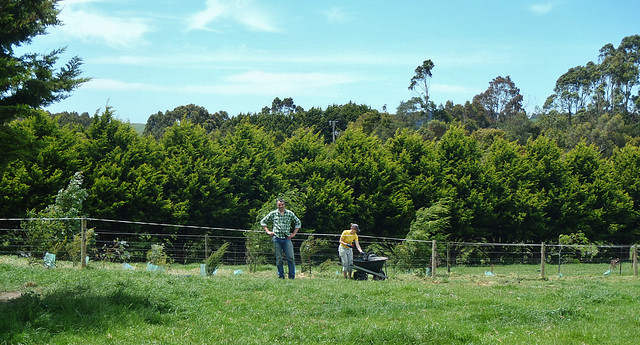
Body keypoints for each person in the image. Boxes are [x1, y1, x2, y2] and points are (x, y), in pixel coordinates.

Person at [260, 198, 301, 279]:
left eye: (282, 205)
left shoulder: (289, 213)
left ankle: (292, 276)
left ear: (284, 205)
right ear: (277, 205)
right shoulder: (273, 213)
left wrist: (293, 234)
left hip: (287, 238)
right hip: (276, 238)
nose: (280, 206)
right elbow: (263, 222)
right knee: (279, 258)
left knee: (291, 258)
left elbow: (298, 222)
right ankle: (281, 276)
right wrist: (267, 231)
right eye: (279, 205)